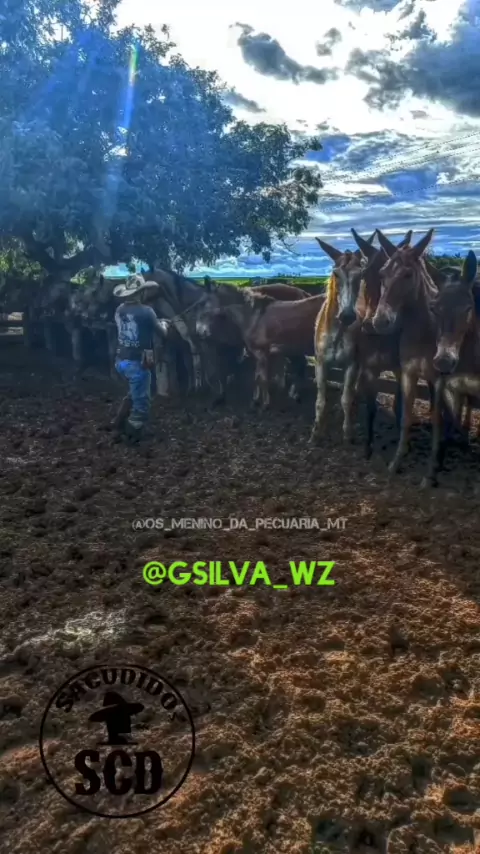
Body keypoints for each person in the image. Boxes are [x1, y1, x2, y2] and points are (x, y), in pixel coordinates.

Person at [112, 274, 169, 440]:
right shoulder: (147, 311)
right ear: (141, 292)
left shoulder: (119, 309)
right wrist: (164, 324)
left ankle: (118, 420)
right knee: (142, 401)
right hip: (137, 363)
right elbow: (163, 333)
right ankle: (133, 432)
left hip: (120, 360)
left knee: (134, 391)